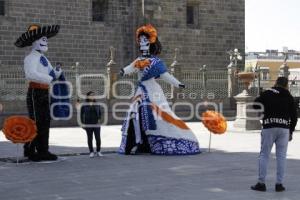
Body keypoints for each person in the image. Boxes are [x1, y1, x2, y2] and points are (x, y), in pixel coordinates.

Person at [119, 24, 200, 155]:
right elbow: (130, 67)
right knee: (134, 115)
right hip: (140, 91)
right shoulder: (139, 60)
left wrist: (178, 84)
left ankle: (158, 142)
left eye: (145, 40)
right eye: (140, 41)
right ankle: (137, 143)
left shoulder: (156, 62)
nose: (142, 43)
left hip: (153, 91)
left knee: (158, 116)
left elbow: (165, 75)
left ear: (150, 42)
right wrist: (123, 71)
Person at [15, 24, 61, 161]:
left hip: (44, 92)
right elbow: (31, 74)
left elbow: (51, 73)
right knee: (36, 122)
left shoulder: (44, 59)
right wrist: (49, 78)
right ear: (34, 41)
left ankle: (43, 150)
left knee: (45, 121)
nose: (45, 41)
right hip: (35, 92)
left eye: (46, 39)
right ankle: (29, 150)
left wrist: (57, 73)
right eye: (42, 39)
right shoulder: (30, 58)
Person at [251, 77, 298, 192]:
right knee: (281, 156)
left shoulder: (267, 93)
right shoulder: (289, 97)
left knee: (264, 155)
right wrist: (291, 131)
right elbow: (294, 117)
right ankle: (279, 184)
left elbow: (255, 105)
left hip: (269, 127)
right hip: (284, 128)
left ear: (276, 83)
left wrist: (263, 112)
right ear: (286, 85)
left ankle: (261, 183)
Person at [80, 91, 103, 158]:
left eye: (93, 95)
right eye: (91, 95)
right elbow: (81, 115)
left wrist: (99, 119)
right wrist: (82, 123)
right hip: (88, 123)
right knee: (90, 138)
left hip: (96, 123)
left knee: (98, 138)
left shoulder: (97, 104)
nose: (93, 96)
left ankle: (98, 151)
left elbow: (100, 113)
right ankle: (91, 152)